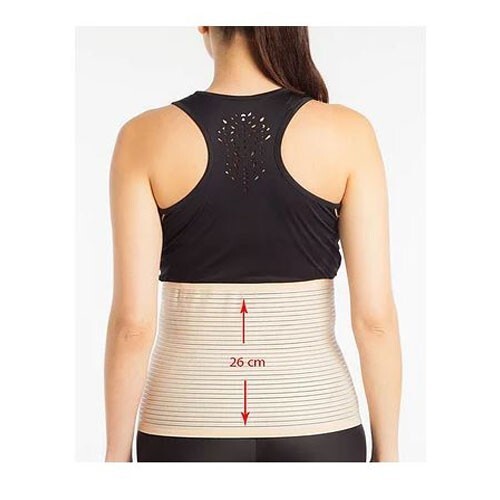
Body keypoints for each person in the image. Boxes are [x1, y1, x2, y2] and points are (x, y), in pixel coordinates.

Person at [104, 26, 402, 462]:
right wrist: (388, 454)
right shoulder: (348, 133)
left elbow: (132, 325)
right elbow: (375, 321)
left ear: (205, 22)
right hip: (318, 424)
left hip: (184, 423)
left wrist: (115, 457)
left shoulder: (144, 136)